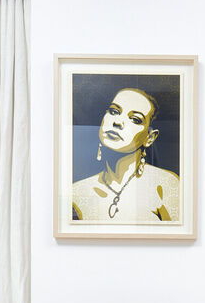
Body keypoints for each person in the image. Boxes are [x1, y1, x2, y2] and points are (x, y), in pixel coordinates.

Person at [71, 88, 180, 222]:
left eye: (135, 119)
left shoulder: (166, 184)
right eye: (114, 112)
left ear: (149, 138)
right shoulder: (76, 192)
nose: (117, 122)